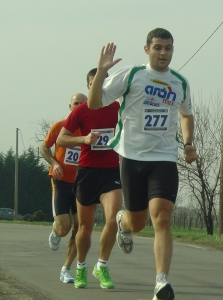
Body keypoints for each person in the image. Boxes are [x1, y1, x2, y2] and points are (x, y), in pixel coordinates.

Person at [87, 28, 197, 300]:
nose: (163, 53)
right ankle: (123, 223)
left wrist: (188, 143)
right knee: (137, 222)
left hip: (164, 158)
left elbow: (187, 115)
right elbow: (94, 103)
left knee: (161, 215)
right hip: (133, 158)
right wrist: (101, 71)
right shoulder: (132, 74)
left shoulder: (180, 82)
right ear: (147, 49)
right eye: (158, 47)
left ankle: (161, 282)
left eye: (168, 48)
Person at [57, 71, 122, 290]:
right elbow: (61, 139)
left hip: (111, 172)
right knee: (84, 228)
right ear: (88, 86)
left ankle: (101, 265)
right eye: (94, 84)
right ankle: (81, 267)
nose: (98, 88)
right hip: (86, 173)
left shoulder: (117, 108)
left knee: (112, 219)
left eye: (103, 83)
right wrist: (83, 138)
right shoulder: (80, 111)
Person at [40, 93, 86, 283]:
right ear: (70, 106)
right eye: (76, 103)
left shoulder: (90, 131)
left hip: (82, 184)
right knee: (64, 229)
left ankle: (66, 269)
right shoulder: (60, 127)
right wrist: (55, 163)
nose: (78, 106)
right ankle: (56, 230)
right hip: (61, 181)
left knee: (80, 228)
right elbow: (44, 148)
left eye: (82, 104)